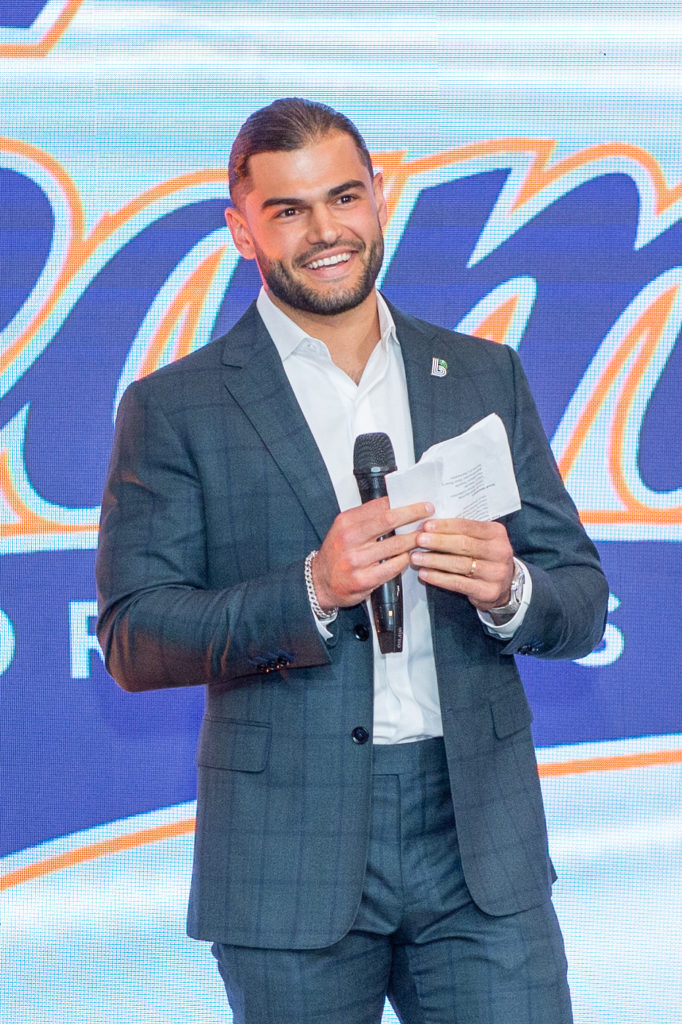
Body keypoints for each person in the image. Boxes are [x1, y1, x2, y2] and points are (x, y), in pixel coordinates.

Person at [96, 98, 608, 1024]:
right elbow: (134, 636)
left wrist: (511, 590)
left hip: (477, 843)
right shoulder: (176, 406)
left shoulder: (483, 374)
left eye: (345, 198)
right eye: (289, 210)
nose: (326, 231)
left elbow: (581, 601)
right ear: (241, 230)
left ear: (380, 198)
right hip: (287, 852)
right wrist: (312, 588)